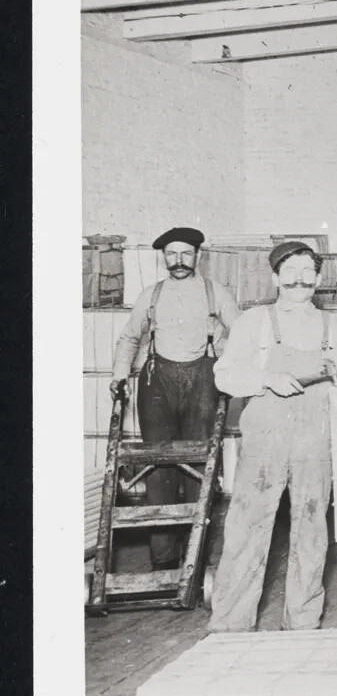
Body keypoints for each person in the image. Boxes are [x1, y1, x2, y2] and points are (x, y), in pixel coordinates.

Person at [208, 241, 337, 631]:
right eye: (290, 270)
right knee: (247, 529)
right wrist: (266, 379)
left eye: (308, 270)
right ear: (276, 277)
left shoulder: (334, 327)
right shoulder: (255, 322)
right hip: (266, 442)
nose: (299, 279)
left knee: (312, 532)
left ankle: (303, 624)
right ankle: (230, 626)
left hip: (316, 441)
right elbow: (224, 375)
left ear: (318, 278)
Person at [110, 226, 240, 569]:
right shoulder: (151, 295)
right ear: (163, 257)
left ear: (198, 256)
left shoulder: (217, 294)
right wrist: (120, 373)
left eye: (186, 253)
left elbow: (242, 335)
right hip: (157, 384)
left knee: (200, 468)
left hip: (203, 382)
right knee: (159, 467)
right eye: (171, 254)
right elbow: (128, 338)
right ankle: (165, 560)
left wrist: (226, 352)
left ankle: (199, 557)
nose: (178, 261)